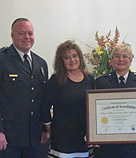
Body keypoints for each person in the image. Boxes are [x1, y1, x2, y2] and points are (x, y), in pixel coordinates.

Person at [94, 43, 136, 158]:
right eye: (117, 56)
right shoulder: (101, 82)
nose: (121, 59)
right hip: (107, 145)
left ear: (131, 60)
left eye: (125, 56)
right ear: (111, 61)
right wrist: (93, 134)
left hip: (133, 145)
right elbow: (94, 111)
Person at [0, 18, 48, 157]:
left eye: (30, 33)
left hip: (35, 138)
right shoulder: (2, 60)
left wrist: (46, 128)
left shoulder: (41, 63)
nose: (27, 37)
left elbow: (43, 99)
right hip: (9, 138)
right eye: (22, 33)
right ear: (12, 35)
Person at [40, 40, 95, 158]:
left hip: (84, 137)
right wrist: (50, 128)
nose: (72, 60)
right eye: (67, 58)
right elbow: (44, 107)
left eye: (74, 56)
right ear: (61, 61)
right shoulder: (56, 80)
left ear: (80, 57)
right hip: (62, 138)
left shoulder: (90, 79)